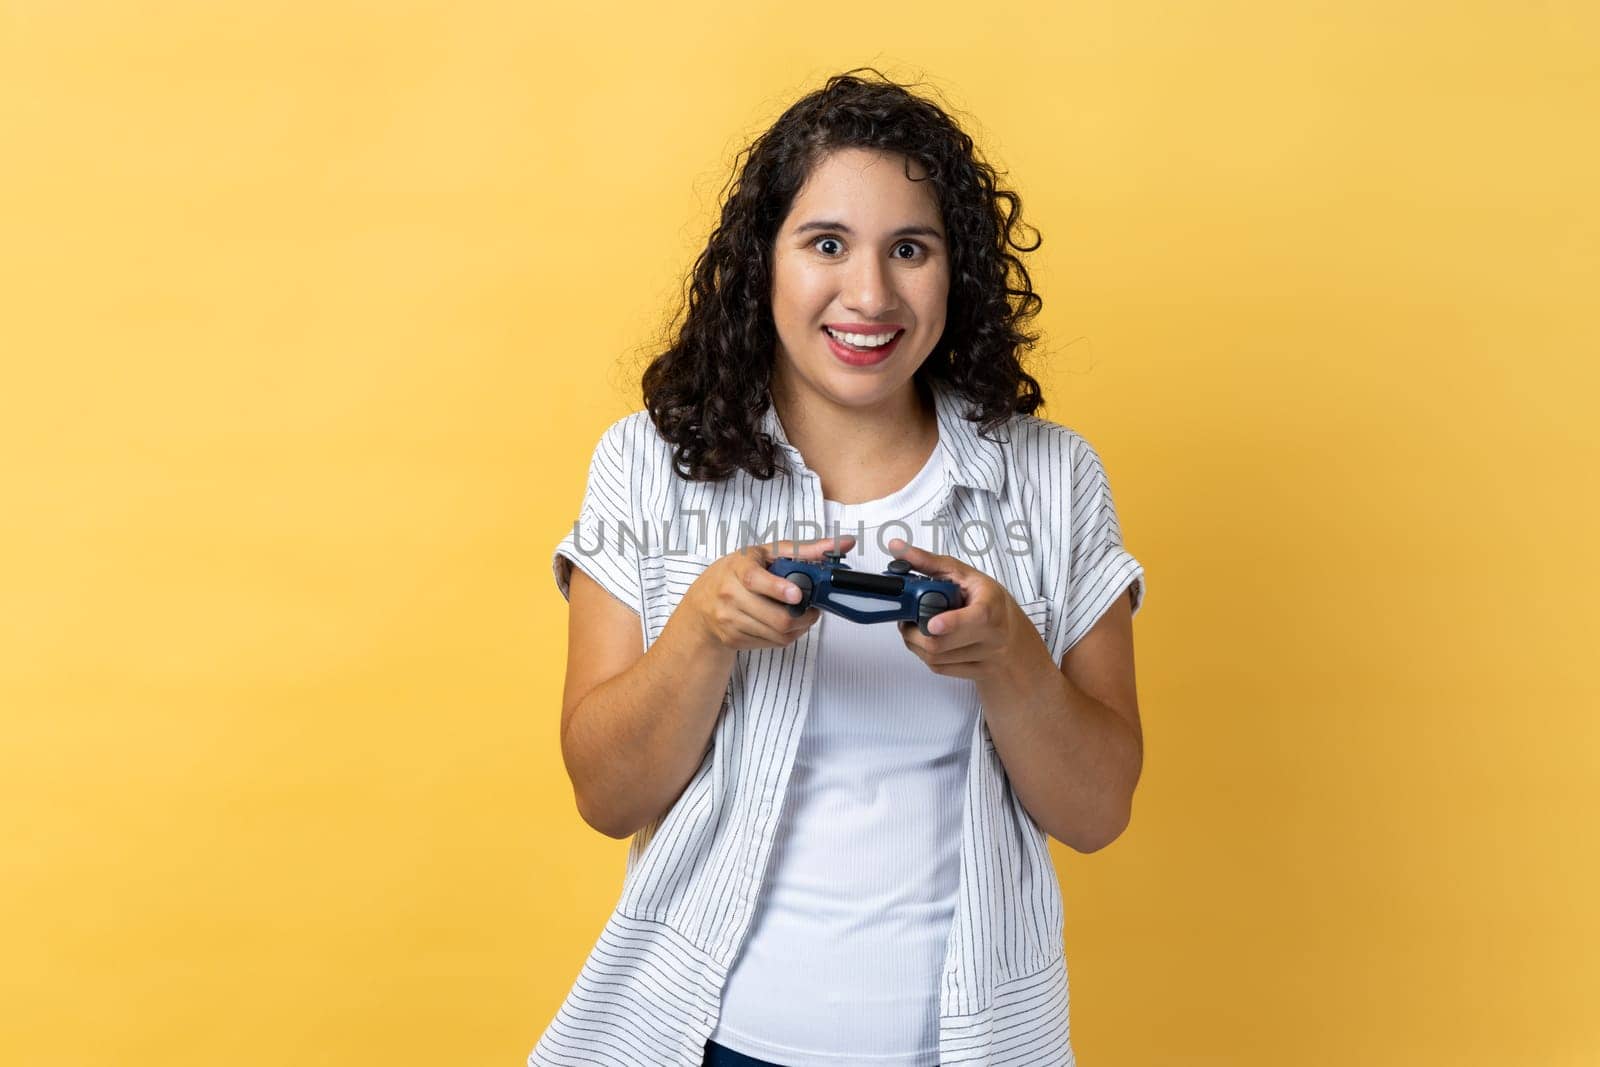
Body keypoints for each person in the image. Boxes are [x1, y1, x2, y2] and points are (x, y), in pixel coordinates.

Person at [531, 68, 1146, 1067]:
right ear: (760, 262)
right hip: (706, 1040)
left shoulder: (1053, 478)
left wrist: (1010, 658)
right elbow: (606, 797)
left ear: (959, 272)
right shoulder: (643, 463)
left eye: (911, 248)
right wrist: (702, 630)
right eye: (826, 244)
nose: (869, 294)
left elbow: (1097, 813)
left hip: (971, 1045)